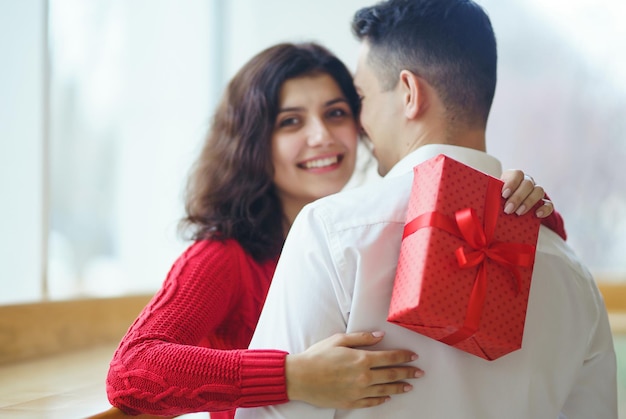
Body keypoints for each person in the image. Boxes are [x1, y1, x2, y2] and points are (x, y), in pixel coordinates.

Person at [106, 42, 564, 418]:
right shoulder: (224, 256)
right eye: (291, 121)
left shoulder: (371, 231)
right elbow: (131, 373)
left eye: (336, 113)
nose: (321, 135)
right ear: (251, 142)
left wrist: (524, 209)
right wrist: (293, 377)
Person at [235, 2, 617, 419]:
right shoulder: (571, 273)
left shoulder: (333, 231)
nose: (360, 124)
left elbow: (271, 415)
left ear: (410, 93)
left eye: (360, 98)